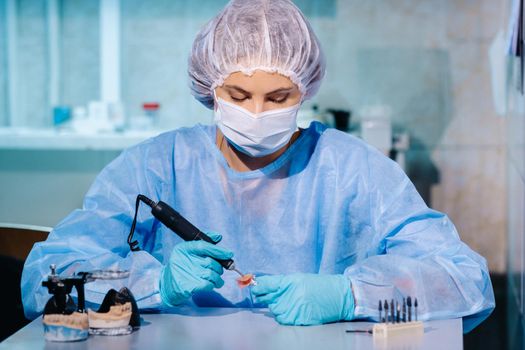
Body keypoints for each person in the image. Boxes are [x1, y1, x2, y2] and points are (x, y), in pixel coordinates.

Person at [21, 0, 494, 332]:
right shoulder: (154, 166)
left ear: (305, 91)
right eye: (239, 95)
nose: (257, 112)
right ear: (210, 90)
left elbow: (465, 279)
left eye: (278, 97)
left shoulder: (352, 170)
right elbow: (46, 275)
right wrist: (151, 284)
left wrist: (352, 294)